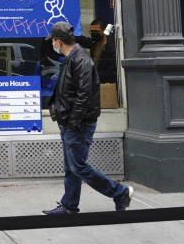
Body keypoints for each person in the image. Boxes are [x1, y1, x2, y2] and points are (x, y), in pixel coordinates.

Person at [42, 22, 133, 215]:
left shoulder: (80, 59)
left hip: (78, 124)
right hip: (70, 122)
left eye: (54, 41)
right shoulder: (72, 57)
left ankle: (120, 192)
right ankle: (69, 206)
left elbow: (84, 95)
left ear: (59, 41)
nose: (53, 44)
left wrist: (73, 122)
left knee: (78, 167)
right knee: (71, 167)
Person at [88, 19, 117, 84]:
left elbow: (112, 71)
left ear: (104, 31)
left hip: (108, 84)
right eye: (92, 31)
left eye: (96, 31)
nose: (93, 34)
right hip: (96, 83)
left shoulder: (112, 47)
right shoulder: (94, 45)